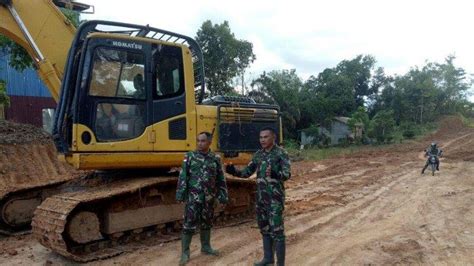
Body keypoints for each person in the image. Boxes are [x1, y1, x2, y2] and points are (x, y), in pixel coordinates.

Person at [226, 127, 291, 266]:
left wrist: (275, 174)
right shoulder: (258, 155)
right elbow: (247, 173)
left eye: (265, 137)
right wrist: (234, 172)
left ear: (273, 137)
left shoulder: (281, 154)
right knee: (264, 229)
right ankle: (268, 259)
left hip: (275, 199)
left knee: (278, 232)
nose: (262, 140)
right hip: (261, 199)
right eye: (261, 137)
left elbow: (287, 174)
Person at [176, 132, 228, 265]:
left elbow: (220, 179)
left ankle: (206, 247)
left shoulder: (215, 158)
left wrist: (223, 195)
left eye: (203, 141)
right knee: (189, 224)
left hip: (209, 198)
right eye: (198, 141)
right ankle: (185, 253)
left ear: (209, 142)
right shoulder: (190, 157)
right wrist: (180, 193)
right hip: (193, 198)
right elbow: (183, 176)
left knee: (207, 222)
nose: (200, 143)